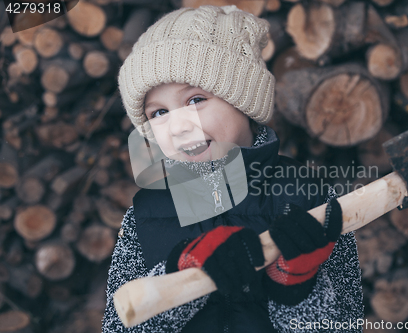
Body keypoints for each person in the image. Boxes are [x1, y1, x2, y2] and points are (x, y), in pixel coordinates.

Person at [102, 4, 364, 333]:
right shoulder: (145, 214)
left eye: (195, 100)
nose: (178, 127)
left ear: (243, 101)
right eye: (158, 113)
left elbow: (348, 323)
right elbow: (117, 326)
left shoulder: (312, 199)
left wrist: (297, 290)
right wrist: (181, 273)